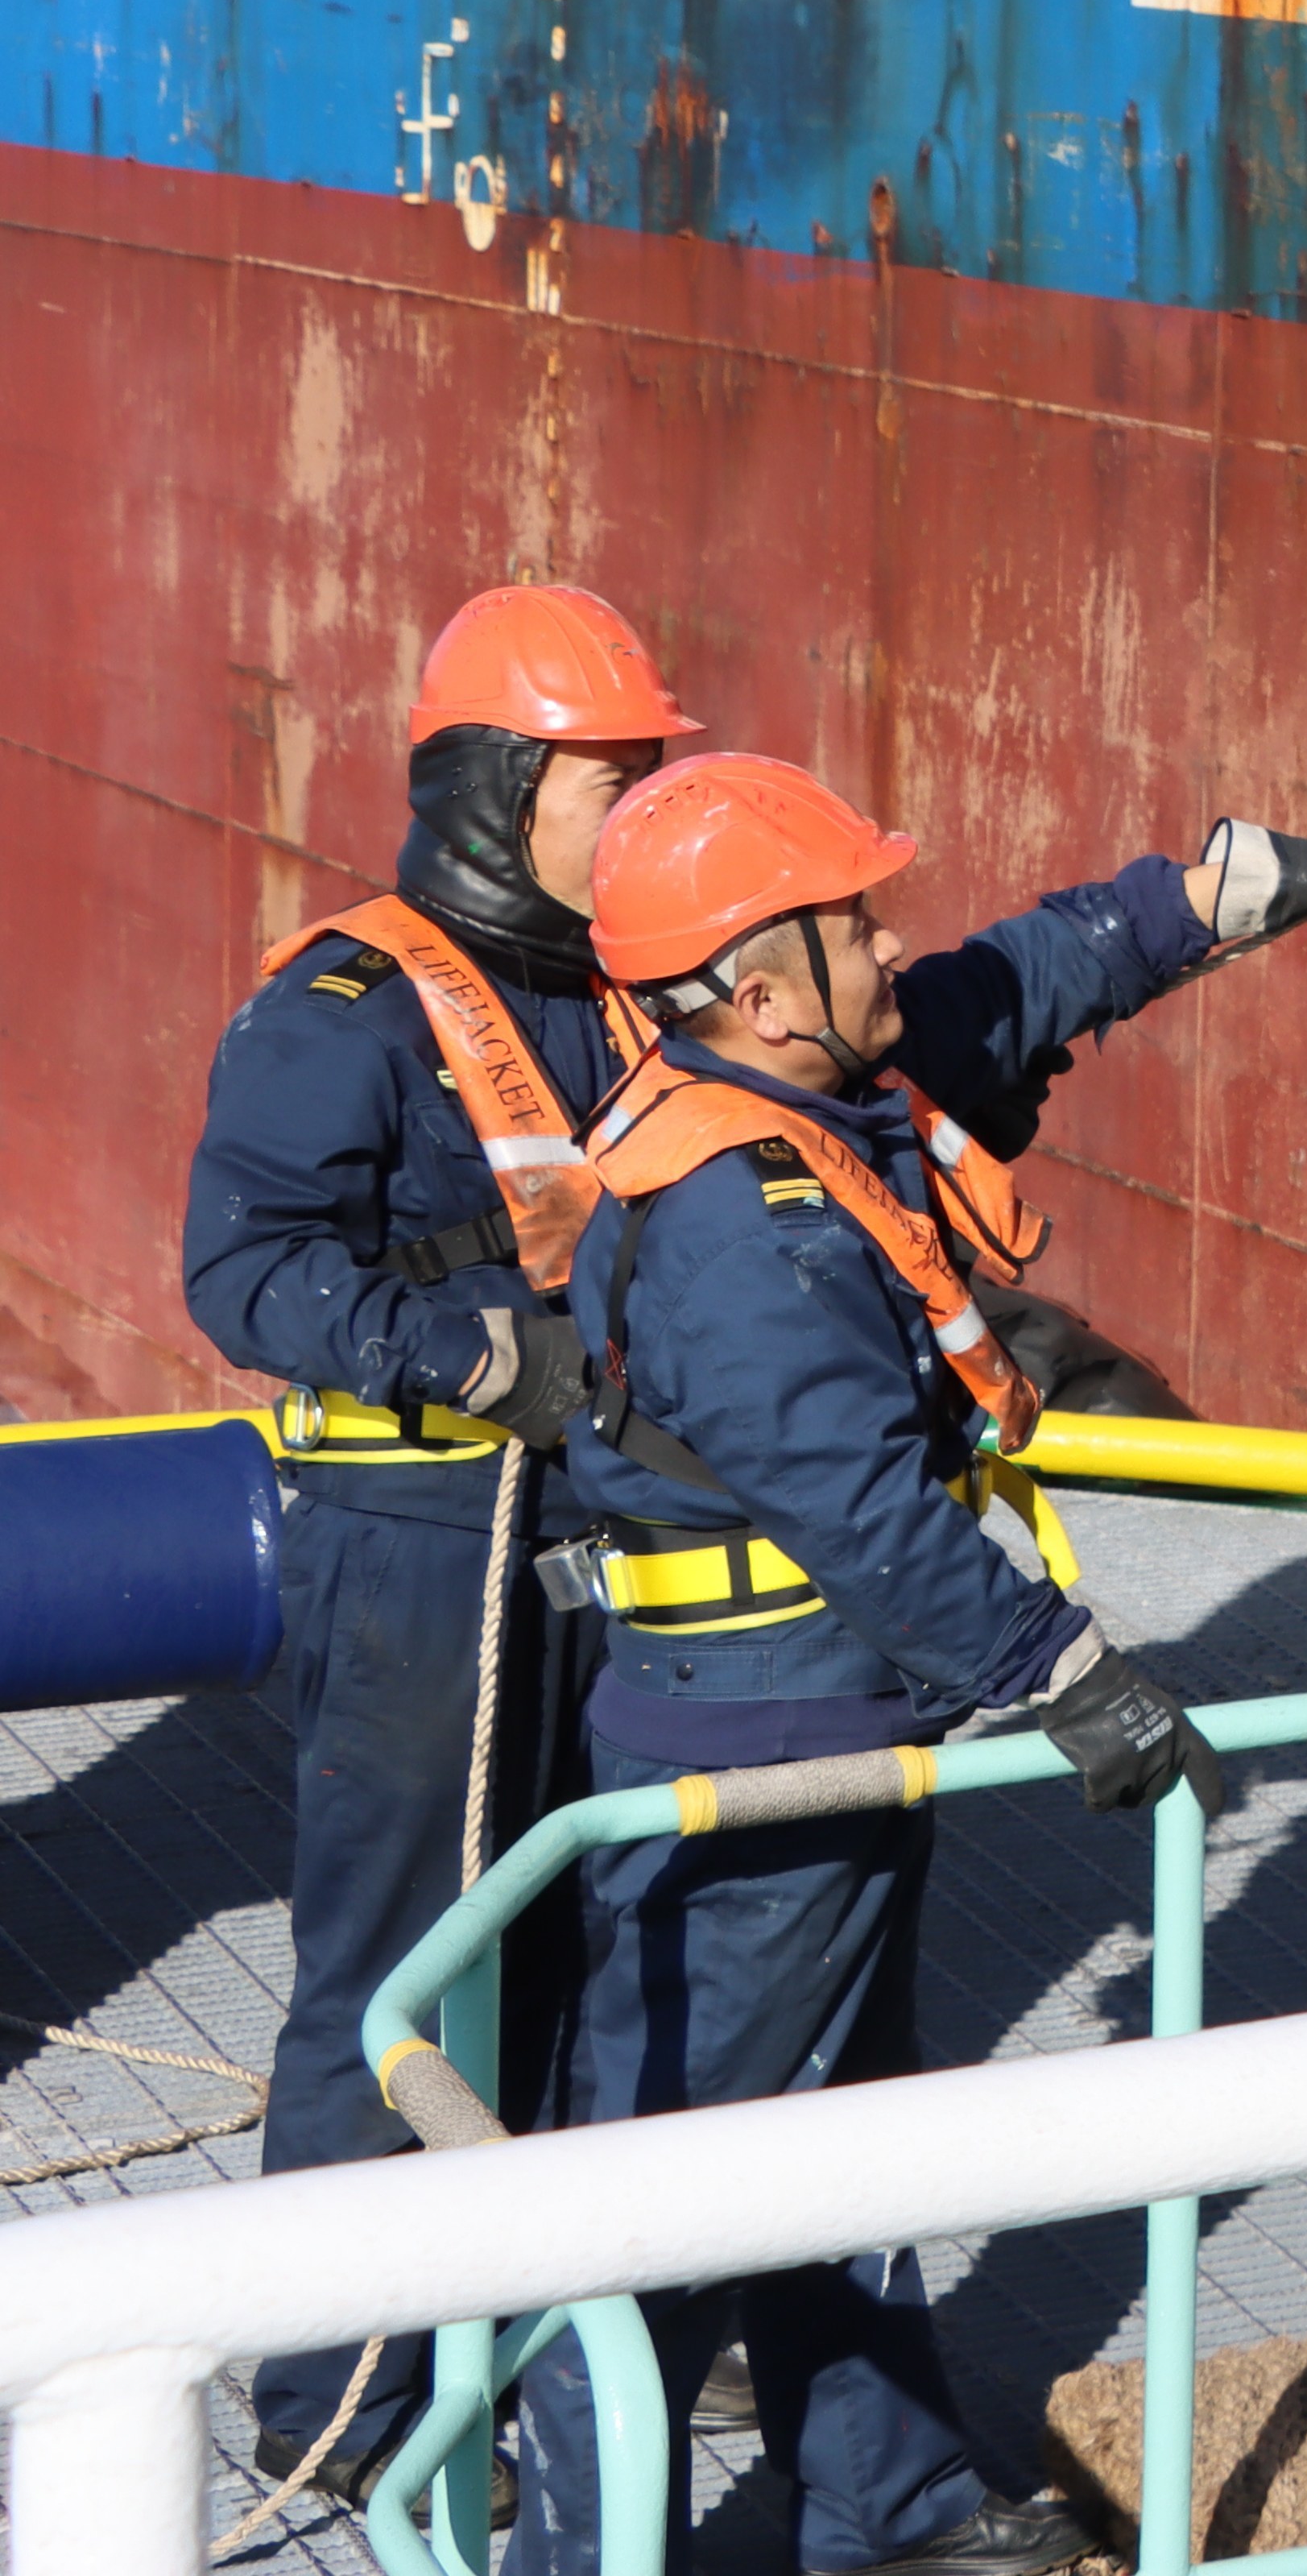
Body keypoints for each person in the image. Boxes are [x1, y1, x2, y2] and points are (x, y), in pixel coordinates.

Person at [498, 757, 1307, 2576]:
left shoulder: (790, 1069)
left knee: (850, 2126)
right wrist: (1070, 1667)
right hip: (754, 1748)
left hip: (826, 1719)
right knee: (670, 2189)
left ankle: (889, 2502)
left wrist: (1222, 892)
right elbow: (863, 1504)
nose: (889, 935)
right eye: (851, 921)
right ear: (759, 990)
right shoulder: (733, 1227)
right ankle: (569, 2546)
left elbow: (1015, 977)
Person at [183, 587, 687, 2505]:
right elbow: (239, 1264)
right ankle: (336, 2396)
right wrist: (457, 1344)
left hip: (590, 1531)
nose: (638, 807)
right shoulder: (348, 1004)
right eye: (609, 774)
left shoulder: (632, 978)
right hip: (416, 1545)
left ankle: (541, 2354)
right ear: (502, 784)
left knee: (572, 1951)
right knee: (387, 1972)